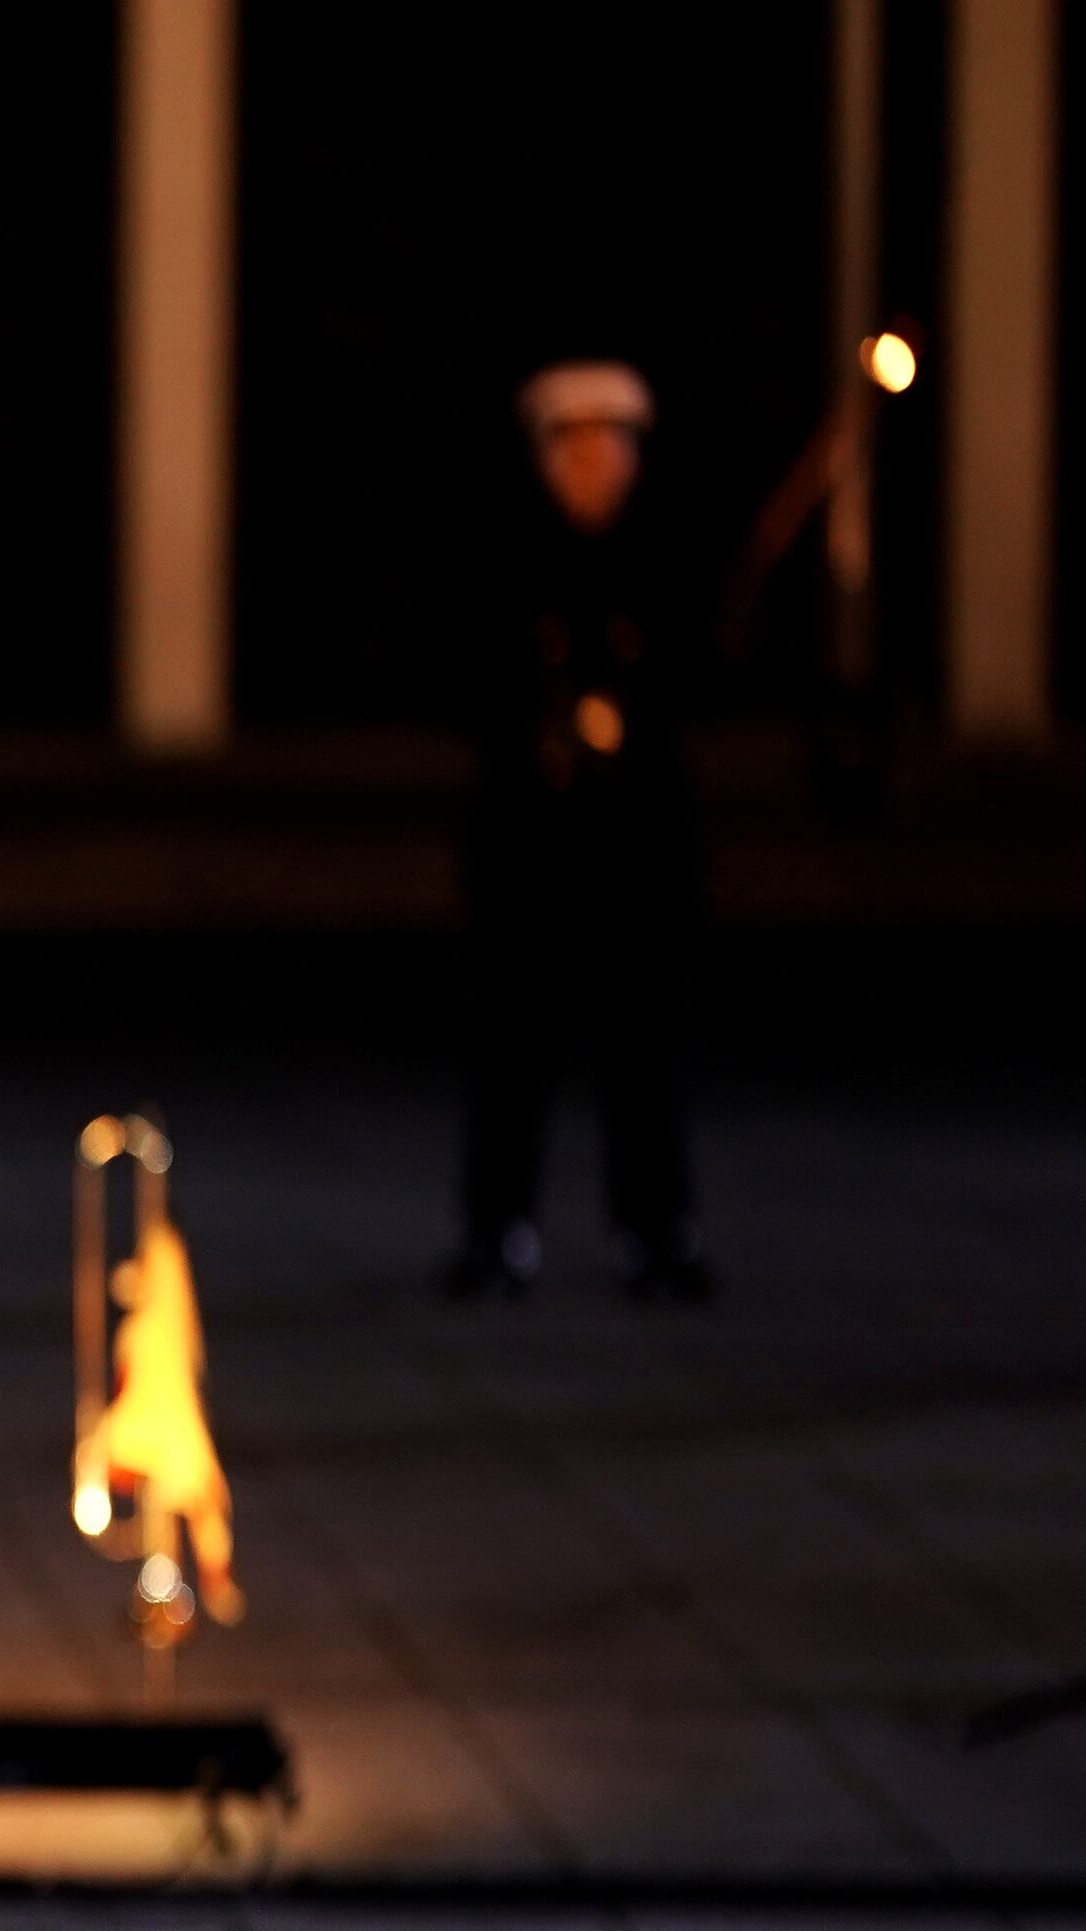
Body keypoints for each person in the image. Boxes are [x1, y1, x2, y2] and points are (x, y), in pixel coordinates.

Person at [447, 358, 713, 1304]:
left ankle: (656, 1229)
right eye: (575, 446)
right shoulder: (505, 561)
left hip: (637, 842)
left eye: (612, 445)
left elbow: (700, 675)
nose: (594, 464)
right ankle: (497, 1227)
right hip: (532, 839)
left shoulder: (668, 559)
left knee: (644, 1045)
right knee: (512, 1042)